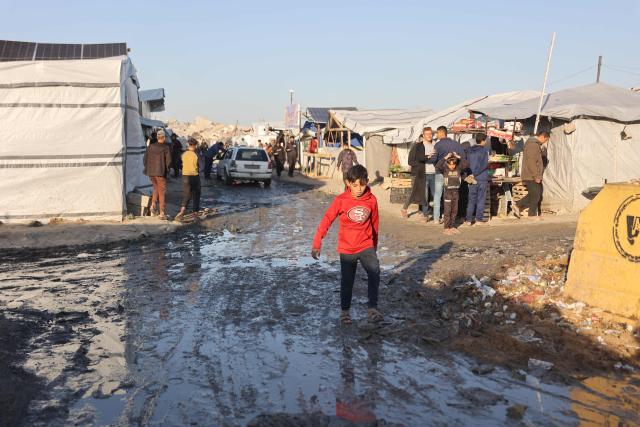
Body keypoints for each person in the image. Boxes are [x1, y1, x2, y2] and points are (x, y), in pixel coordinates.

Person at [311, 165, 383, 325]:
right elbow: (327, 220)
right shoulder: (341, 200)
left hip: (366, 245)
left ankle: (372, 308)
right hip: (347, 248)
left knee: (375, 272)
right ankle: (345, 312)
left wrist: (374, 246)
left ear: (367, 182)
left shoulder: (372, 200)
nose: (359, 189)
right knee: (347, 280)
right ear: (348, 183)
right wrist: (317, 242)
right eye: (355, 185)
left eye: (362, 184)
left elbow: (375, 224)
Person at [428, 126, 467, 223]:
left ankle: (436, 219)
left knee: (438, 195)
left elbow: (433, 159)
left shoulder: (438, 145)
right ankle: (450, 219)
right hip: (453, 174)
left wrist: (432, 160)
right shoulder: (456, 144)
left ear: (441, 133)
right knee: (452, 197)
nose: (436, 135)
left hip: (440, 173)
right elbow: (463, 157)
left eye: (437, 133)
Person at [513, 131, 549, 219]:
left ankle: (518, 205)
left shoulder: (534, 144)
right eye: (546, 140)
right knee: (536, 194)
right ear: (543, 137)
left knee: (537, 193)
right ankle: (530, 214)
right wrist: (536, 175)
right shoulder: (533, 145)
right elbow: (531, 162)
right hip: (531, 175)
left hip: (532, 174)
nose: (545, 142)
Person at [143, 129, 172, 220]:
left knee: (156, 188)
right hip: (160, 173)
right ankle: (162, 212)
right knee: (162, 191)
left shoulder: (150, 147)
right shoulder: (166, 147)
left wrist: (148, 168)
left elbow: (144, 160)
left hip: (151, 173)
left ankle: (153, 205)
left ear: (157, 137)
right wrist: (166, 169)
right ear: (163, 138)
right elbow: (169, 161)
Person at [400, 132, 429, 221]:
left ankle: (422, 211)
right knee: (412, 192)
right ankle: (404, 209)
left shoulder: (425, 146)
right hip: (416, 173)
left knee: (422, 192)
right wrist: (426, 158)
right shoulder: (416, 146)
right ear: (422, 138)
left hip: (423, 173)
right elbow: (410, 161)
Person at [464, 134, 490, 225]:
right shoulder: (484, 151)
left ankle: (468, 220)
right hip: (481, 178)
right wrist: (475, 173)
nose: (486, 142)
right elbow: (484, 165)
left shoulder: (469, 150)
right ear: (482, 141)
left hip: (471, 178)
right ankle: (479, 219)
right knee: (480, 199)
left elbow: (466, 164)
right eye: (485, 140)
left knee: (471, 199)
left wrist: (470, 174)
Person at [436, 152, 464, 235]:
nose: (452, 166)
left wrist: (458, 157)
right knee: (447, 211)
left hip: (456, 192)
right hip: (448, 193)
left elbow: (467, 164)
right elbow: (437, 166)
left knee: (454, 210)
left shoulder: (458, 168)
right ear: (447, 164)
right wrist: (445, 157)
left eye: (453, 164)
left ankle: (452, 226)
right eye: (450, 164)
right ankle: (446, 228)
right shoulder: (445, 169)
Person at [175, 139, 201, 220]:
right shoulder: (196, 154)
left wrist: (183, 168)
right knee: (196, 193)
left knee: (187, 193)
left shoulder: (183, 154)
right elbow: (199, 165)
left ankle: (182, 210)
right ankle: (195, 211)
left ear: (189, 145)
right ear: (195, 145)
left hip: (185, 176)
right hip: (195, 176)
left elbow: (178, 163)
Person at [422, 127, 437, 219]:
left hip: (435, 173)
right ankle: (426, 214)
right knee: (425, 195)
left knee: (436, 194)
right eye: (427, 134)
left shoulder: (435, 144)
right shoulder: (421, 145)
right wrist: (429, 156)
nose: (429, 135)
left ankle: (436, 213)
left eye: (430, 133)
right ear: (423, 135)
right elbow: (419, 158)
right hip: (425, 172)